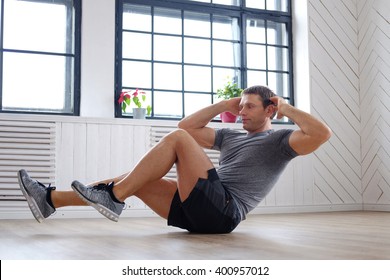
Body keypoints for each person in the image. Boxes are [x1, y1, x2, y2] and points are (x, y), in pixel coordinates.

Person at [17, 85, 332, 233]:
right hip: (200, 213)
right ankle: (50, 199)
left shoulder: (279, 140)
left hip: (225, 211)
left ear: (268, 110)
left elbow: (322, 134)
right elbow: (187, 126)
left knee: (174, 143)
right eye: (240, 106)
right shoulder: (231, 136)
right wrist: (224, 102)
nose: (241, 111)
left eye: (249, 106)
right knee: (134, 178)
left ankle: (113, 198)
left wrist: (286, 109)